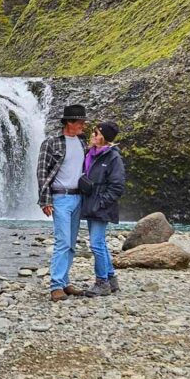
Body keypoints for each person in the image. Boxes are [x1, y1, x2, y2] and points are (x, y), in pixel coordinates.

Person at [37, 104, 88, 302]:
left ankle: (65, 281)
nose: (83, 126)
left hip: (78, 197)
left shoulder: (83, 142)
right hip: (60, 197)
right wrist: (45, 200)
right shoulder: (51, 143)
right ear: (69, 122)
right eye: (80, 122)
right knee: (62, 241)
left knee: (72, 243)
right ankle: (56, 286)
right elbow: (42, 173)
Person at [78, 121, 125, 297]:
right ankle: (111, 279)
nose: (92, 135)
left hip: (100, 207)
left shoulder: (113, 157)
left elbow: (118, 186)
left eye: (96, 133)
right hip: (92, 205)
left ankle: (101, 282)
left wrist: (100, 203)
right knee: (101, 244)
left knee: (96, 244)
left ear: (104, 138)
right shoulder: (92, 154)